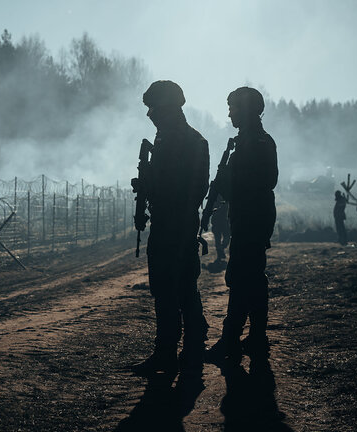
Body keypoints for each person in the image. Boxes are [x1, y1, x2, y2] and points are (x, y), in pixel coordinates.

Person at [133, 80, 210, 385]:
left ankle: (184, 351)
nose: (150, 114)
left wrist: (152, 187)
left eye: (155, 108)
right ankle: (173, 352)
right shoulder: (168, 140)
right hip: (167, 223)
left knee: (178, 289)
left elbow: (193, 189)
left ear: (169, 109)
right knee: (167, 289)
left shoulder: (189, 141)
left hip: (176, 224)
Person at [206, 87, 278, 371]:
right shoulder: (247, 141)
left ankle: (231, 340)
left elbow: (263, 182)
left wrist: (226, 185)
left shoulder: (256, 142)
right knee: (253, 278)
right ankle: (257, 337)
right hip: (249, 217)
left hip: (252, 218)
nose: (229, 113)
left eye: (233, 108)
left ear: (245, 110)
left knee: (239, 277)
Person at [211, 197, 230, 262]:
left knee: (218, 239)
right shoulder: (226, 199)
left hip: (219, 222)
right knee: (225, 238)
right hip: (224, 222)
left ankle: (220, 251)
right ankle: (220, 251)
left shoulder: (214, 199)